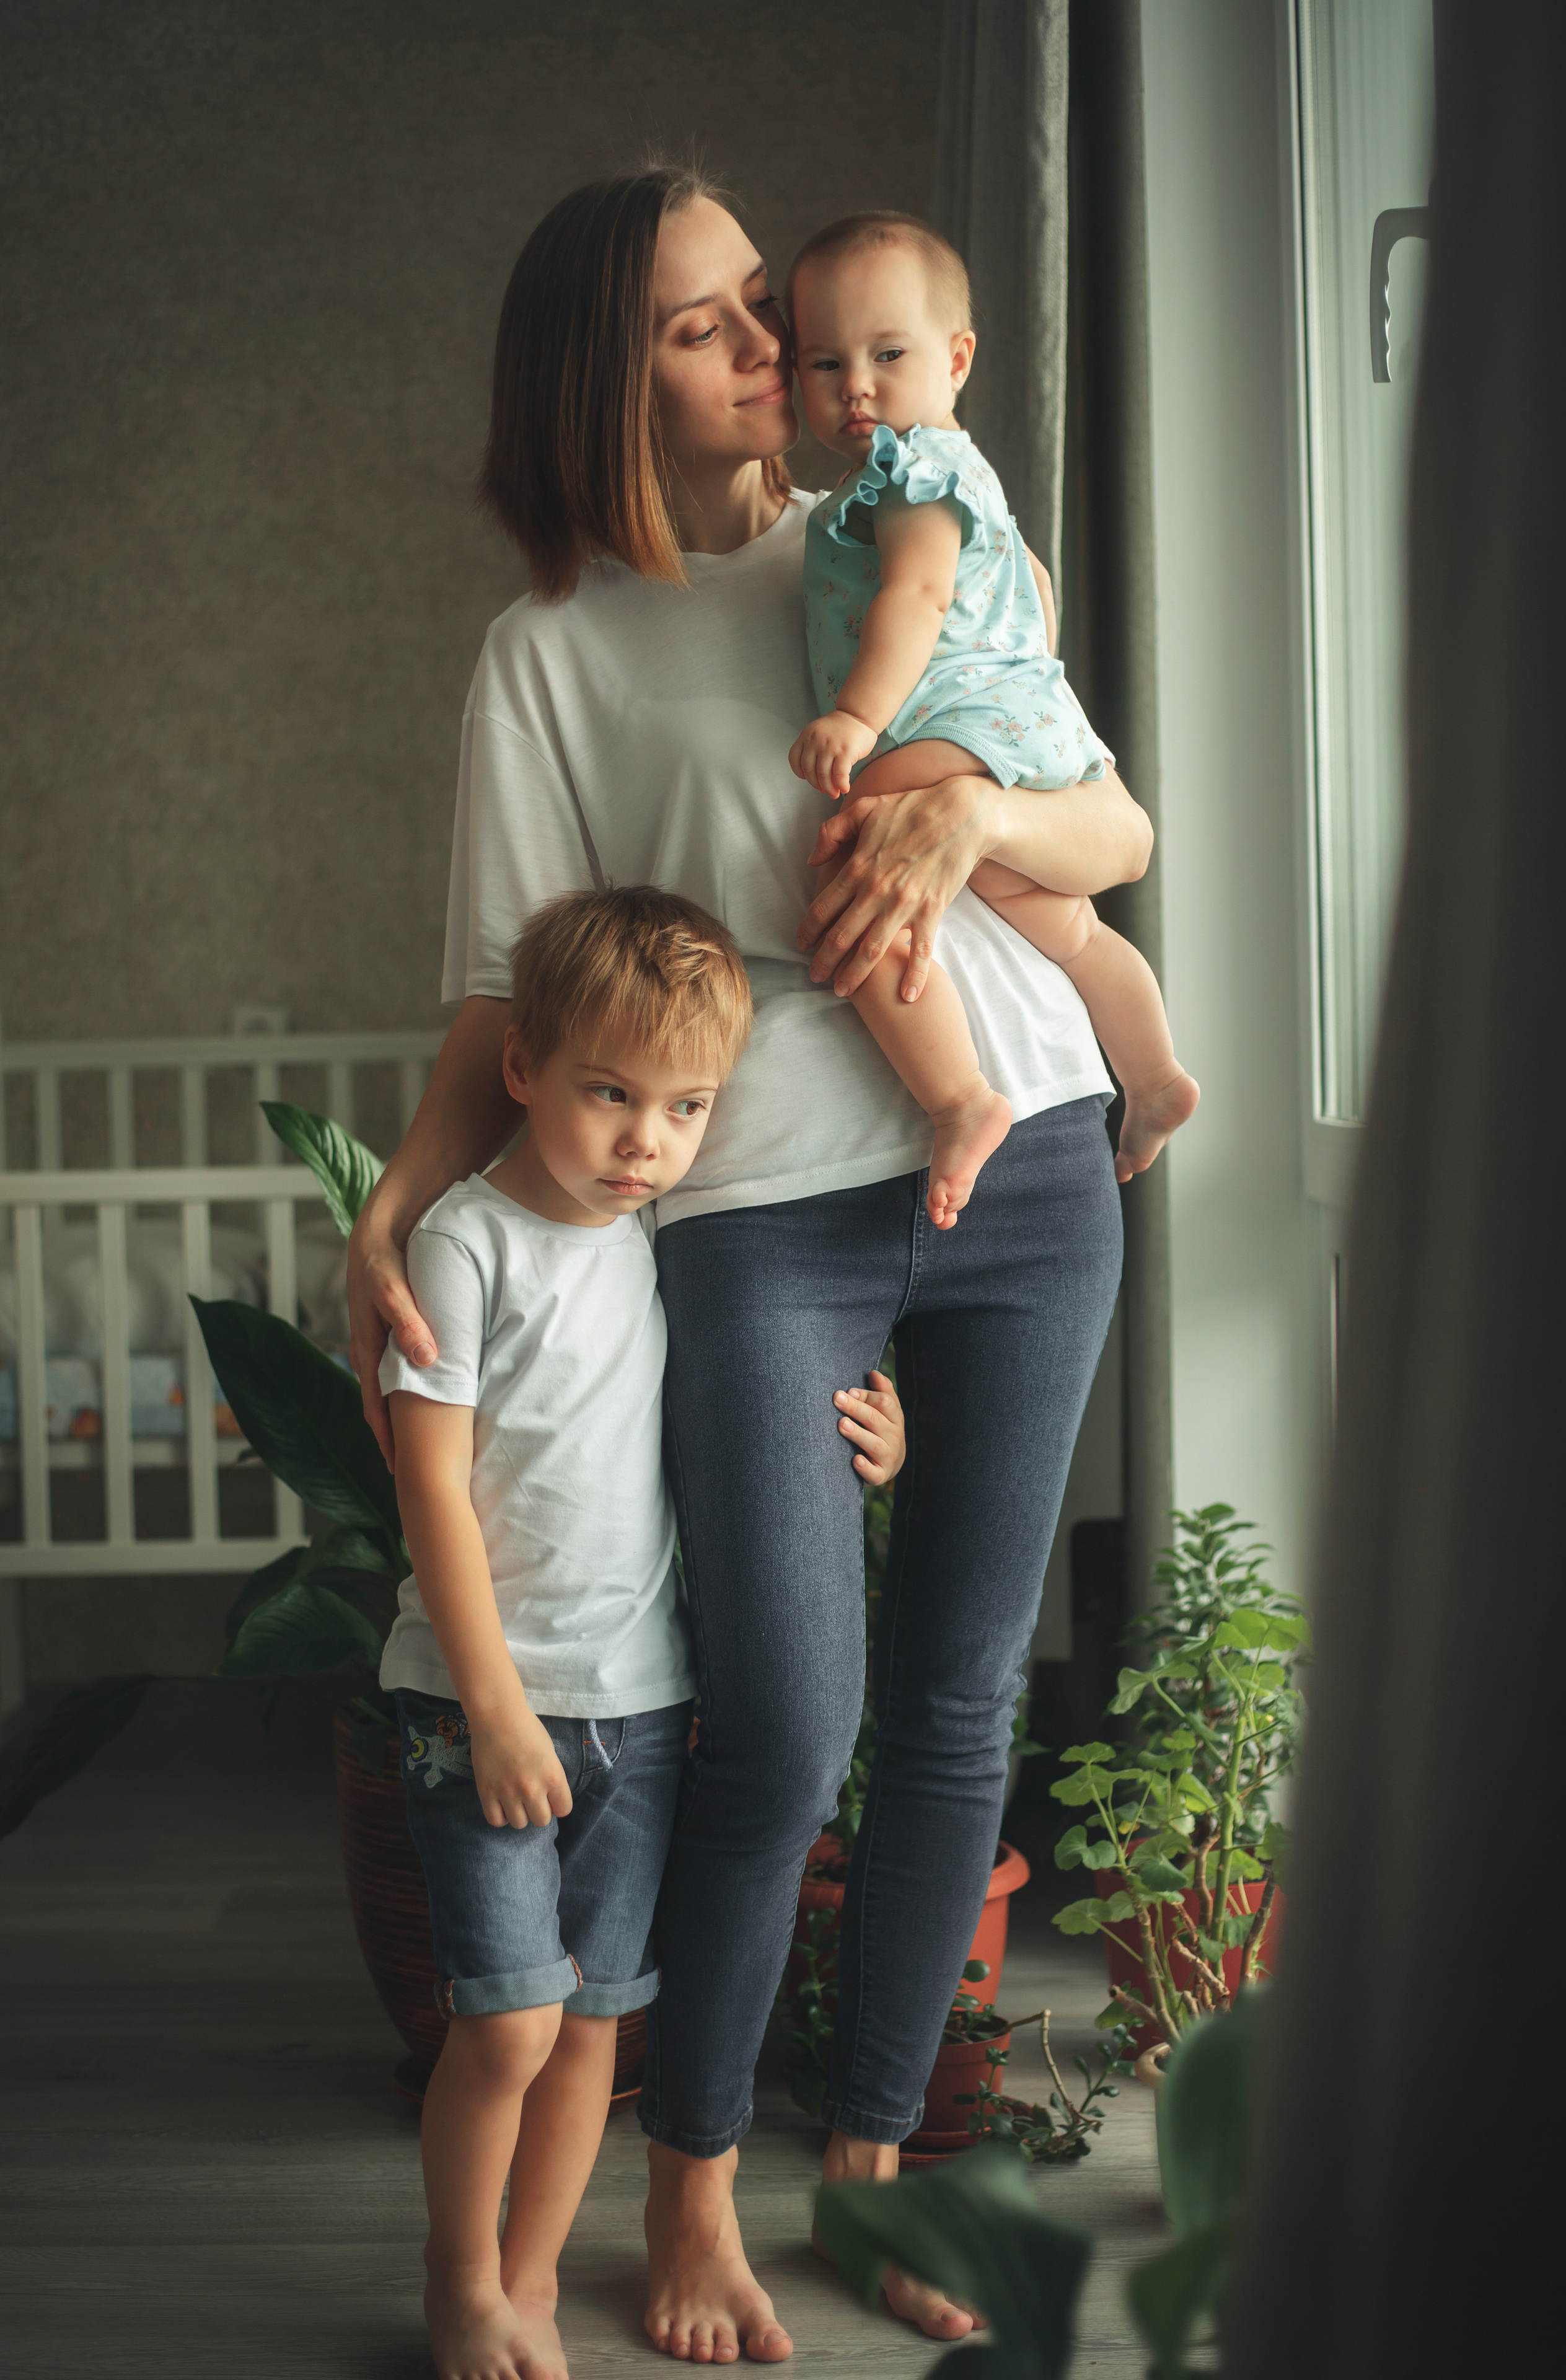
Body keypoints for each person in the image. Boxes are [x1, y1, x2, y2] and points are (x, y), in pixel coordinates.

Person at [349, 165, 1155, 2361]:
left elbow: (1116, 827)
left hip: (1034, 1164)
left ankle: (877, 2168)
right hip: (759, 1219)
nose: (778, 361)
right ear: (618, 375)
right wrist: (393, 1213)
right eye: (717, 326)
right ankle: (690, 2191)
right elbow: (495, 1016)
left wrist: (973, 814)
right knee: (787, 1724)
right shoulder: (550, 655)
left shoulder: (889, 544)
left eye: (772, 323)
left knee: (963, 1701)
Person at [382, 882, 907, 2380]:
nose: (645, 1141)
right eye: (611, 1095)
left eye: (684, 1108)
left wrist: (871, 1435)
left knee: (596, 2025)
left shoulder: (670, 1240)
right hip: (480, 1706)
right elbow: (427, 1479)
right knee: (507, 2025)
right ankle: (456, 2281)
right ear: (523, 1069)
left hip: (639, 1710)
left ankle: (530, 2287)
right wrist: (485, 1705)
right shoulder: (465, 1244)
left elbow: (759, 1390)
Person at [787, 211, 1198, 1228]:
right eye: (825, 363)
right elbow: (1030, 604)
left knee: (855, 885)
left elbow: (918, 600)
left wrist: (854, 715)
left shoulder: (911, 471)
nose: (858, 389)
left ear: (958, 358)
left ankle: (960, 1099)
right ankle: (1151, 1075)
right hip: (1025, 729)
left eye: (889, 354)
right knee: (1068, 929)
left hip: (948, 724)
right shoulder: (972, 478)